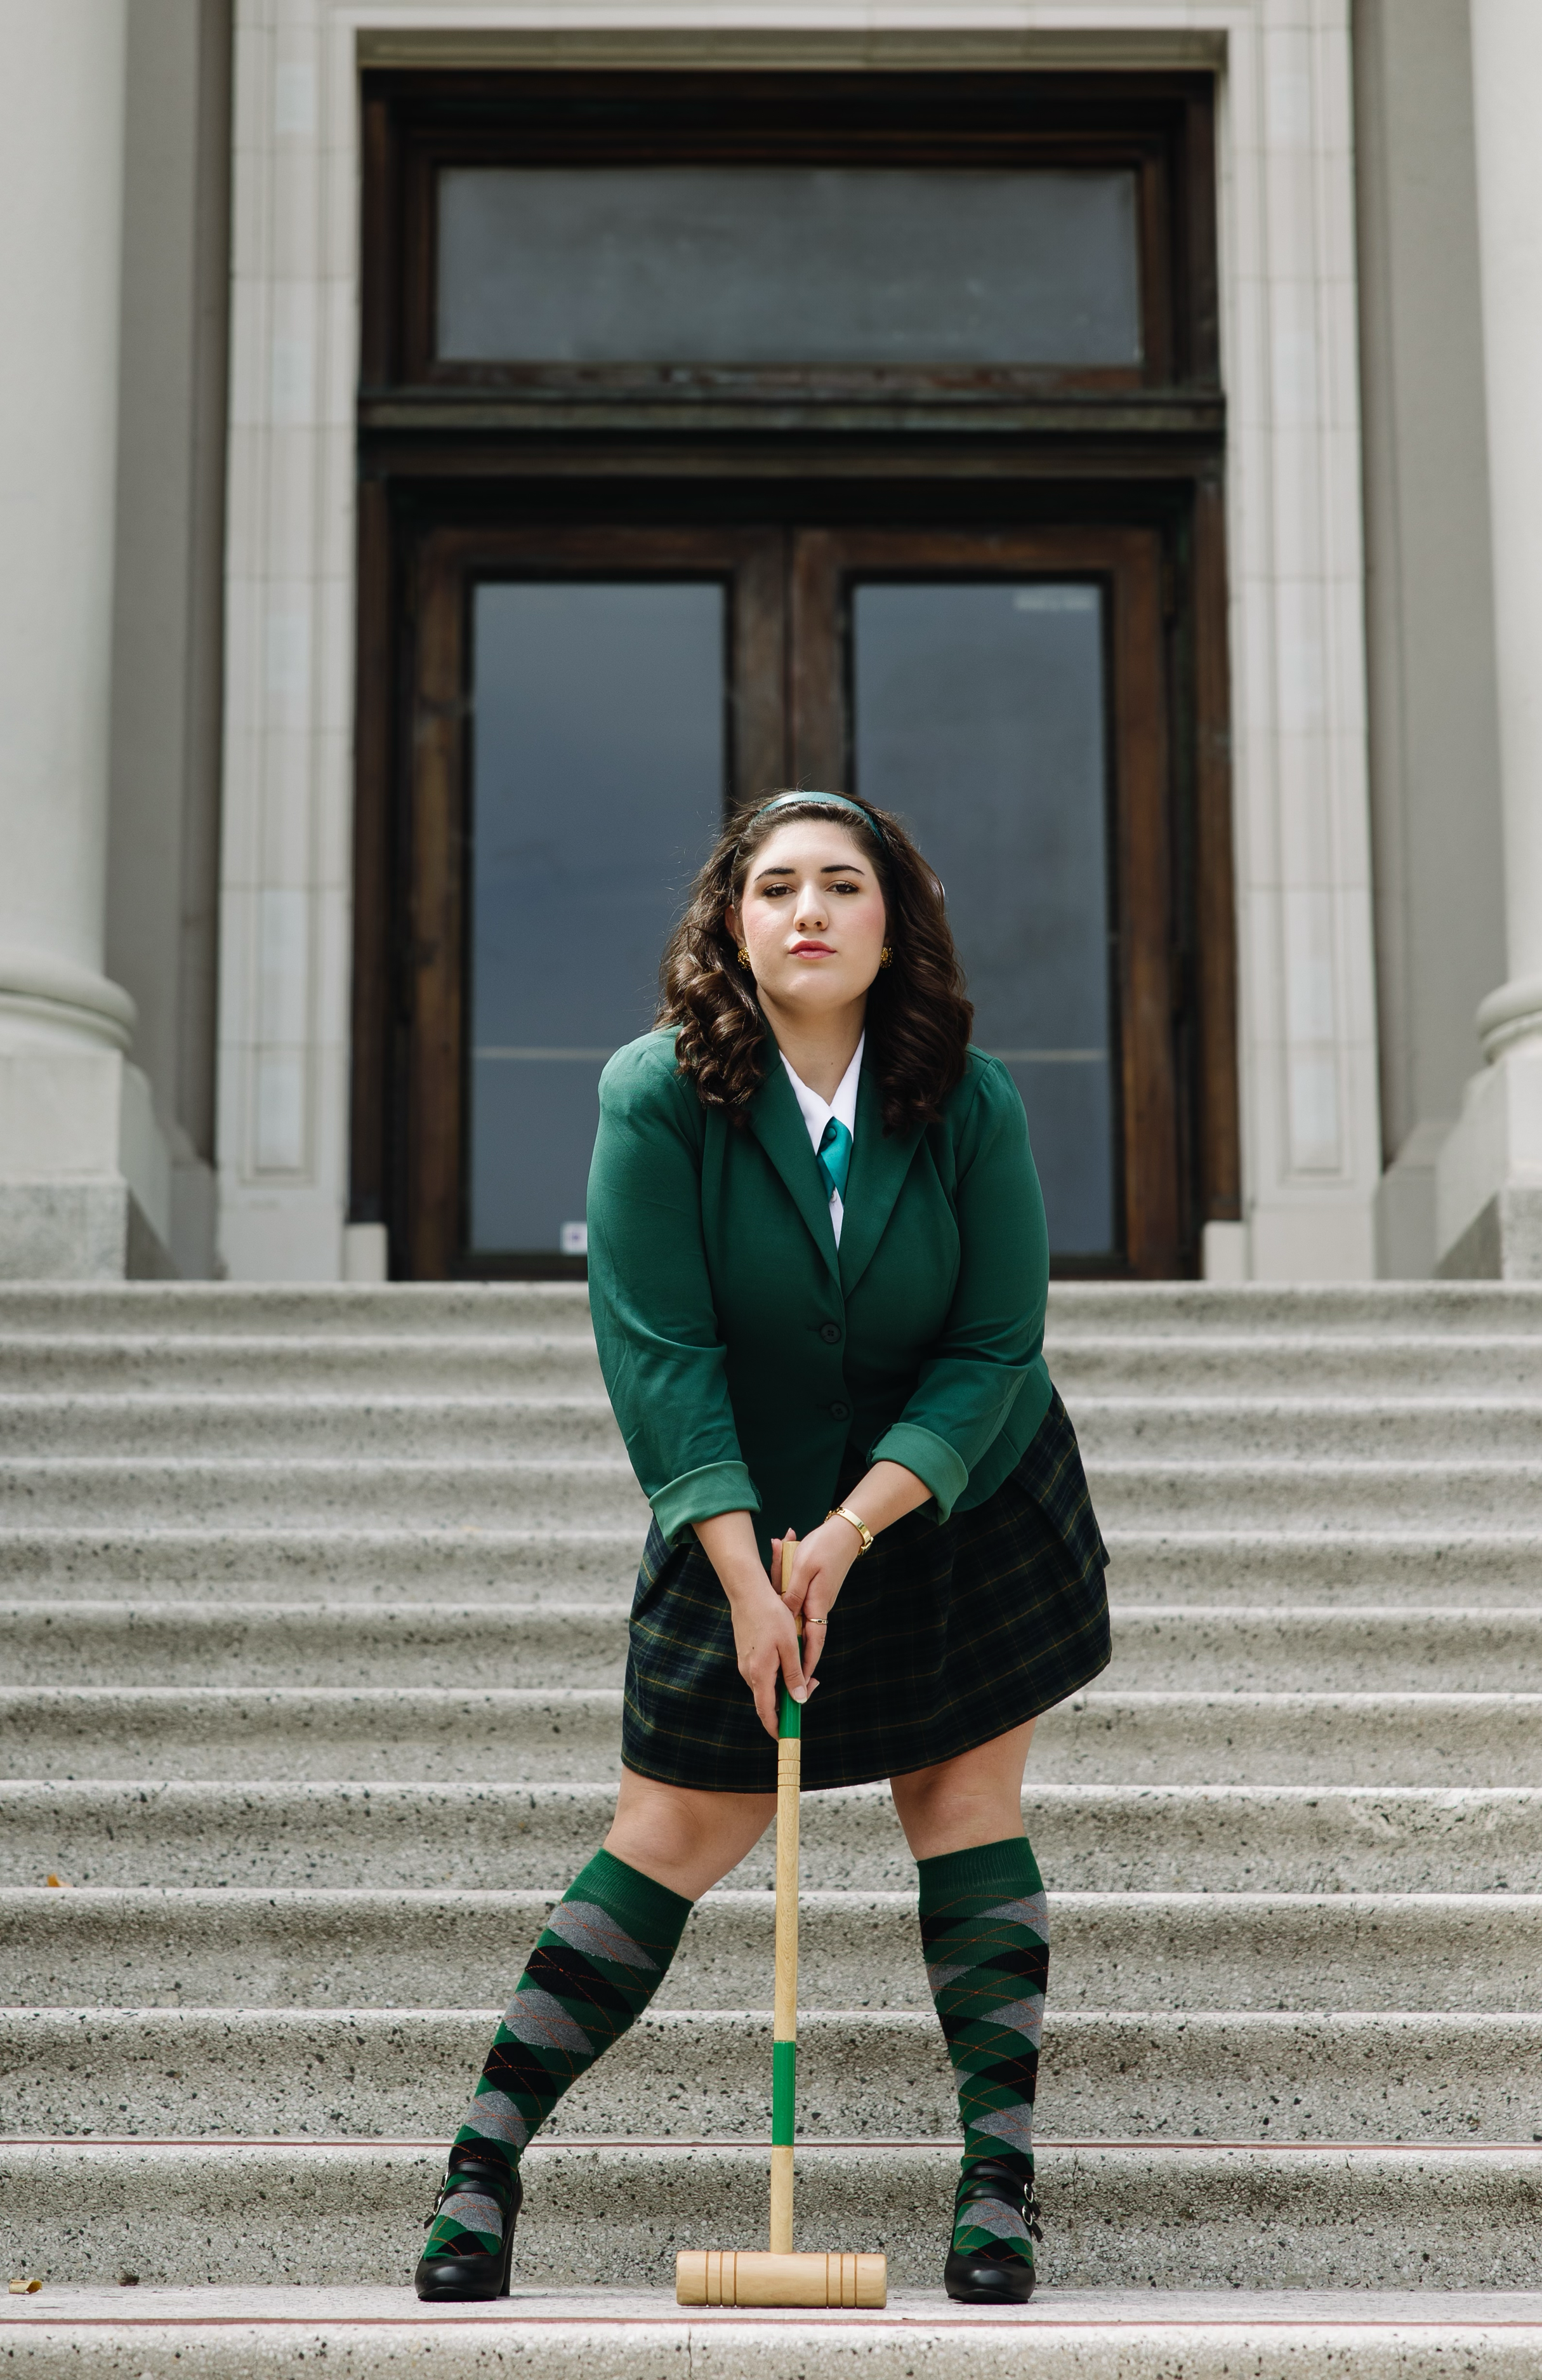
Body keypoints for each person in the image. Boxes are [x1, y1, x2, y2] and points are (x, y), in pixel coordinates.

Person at [414, 790, 1110, 2306]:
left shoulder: (966, 1098)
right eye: (775, 885)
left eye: (840, 885)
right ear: (730, 922)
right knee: (670, 1833)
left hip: (954, 1498)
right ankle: (481, 2163)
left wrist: (862, 1523)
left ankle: (997, 2189)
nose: (807, 910)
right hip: (733, 1498)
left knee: (964, 1799)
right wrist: (744, 1570)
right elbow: (657, 1350)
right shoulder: (655, 1096)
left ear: (889, 920)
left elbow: (995, 1345)